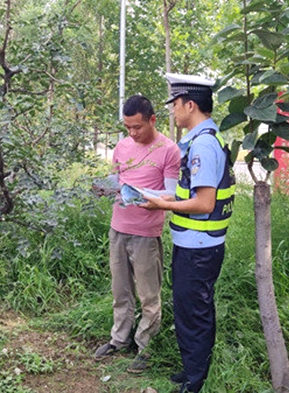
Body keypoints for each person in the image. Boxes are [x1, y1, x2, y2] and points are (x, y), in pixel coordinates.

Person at [140, 73, 235, 393]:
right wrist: (163, 198)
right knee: (191, 308)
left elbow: (205, 202)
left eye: (175, 104)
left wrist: (163, 208)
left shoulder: (203, 145)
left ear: (190, 104)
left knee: (193, 312)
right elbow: (191, 194)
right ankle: (194, 368)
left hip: (199, 246)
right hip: (195, 243)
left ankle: (195, 380)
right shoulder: (202, 139)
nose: (173, 111)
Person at [93, 94, 181, 374]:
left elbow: (171, 194)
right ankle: (119, 340)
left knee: (148, 295)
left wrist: (145, 196)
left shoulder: (169, 150)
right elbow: (117, 181)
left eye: (138, 127)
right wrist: (103, 188)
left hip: (146, 233)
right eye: (128, 127)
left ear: (153, 120)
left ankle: (146, 347)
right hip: (118, 227)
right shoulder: (121, 147)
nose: (133, 133)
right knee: (120, 291)